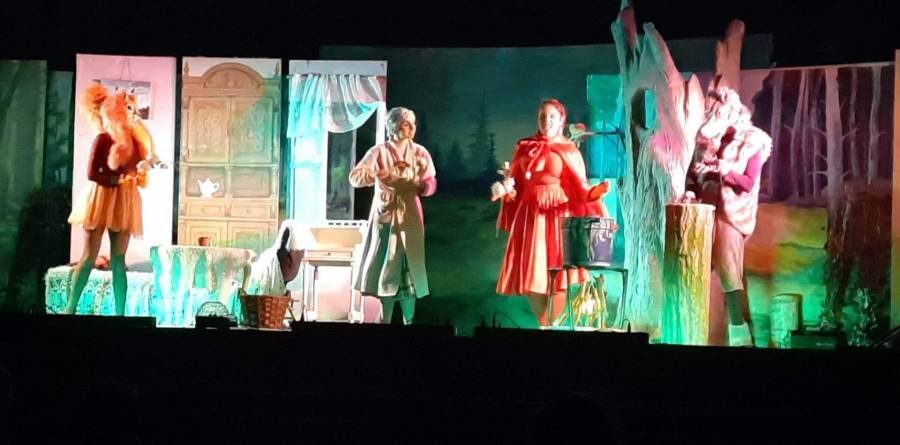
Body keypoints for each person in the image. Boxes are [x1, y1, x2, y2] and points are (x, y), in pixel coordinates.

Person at [493, 99, 612, 327]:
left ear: (561, 121)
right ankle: (545, 326)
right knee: (532, 272)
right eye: (542, 117)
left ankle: (549, 326)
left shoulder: (568, 149)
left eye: (552, 117)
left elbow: (580, 186)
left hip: (558, 213)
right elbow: (514, 182)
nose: (546, 121)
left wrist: (594, 192)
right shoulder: (525, 147)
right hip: (531, 215)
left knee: (559, 274)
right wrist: (506, 190)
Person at [63, 83, 160, 315]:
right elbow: (92, 173)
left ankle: (119, 314)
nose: (132, 115)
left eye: (133, 110)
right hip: (101, 198)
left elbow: (138, 174)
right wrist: (115, 179)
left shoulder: (137, 143)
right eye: (127, 109)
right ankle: (70, 307)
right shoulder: (103, 139)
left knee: (118, 261)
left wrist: (142, 170)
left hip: (124, 200)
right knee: (89, 257)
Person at [689, 84, 772, 347]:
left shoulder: (752, 140)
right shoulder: (707, 140)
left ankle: (739, 333)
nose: (713, 117)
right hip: (704, 211)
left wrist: (724, 170)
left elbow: (748, 182)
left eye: (719, 112)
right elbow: (693, 176)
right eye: (711, 112)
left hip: (730, 215)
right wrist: (692, 188)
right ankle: (693, 331)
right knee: (695, 266)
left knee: (729, 269)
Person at [349, 107, 436, 325]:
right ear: (394, 126)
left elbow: (430, 182)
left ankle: (409, 321)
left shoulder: (419, 153)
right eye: (406, 124)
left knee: (410, 271)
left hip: (410, 216)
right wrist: (377, 174)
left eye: (413, 124)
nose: (411, 128)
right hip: (387, 218)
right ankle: (384, 323)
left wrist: (422, 186)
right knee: (387, 271)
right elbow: (355, 177)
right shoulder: (379, 152)